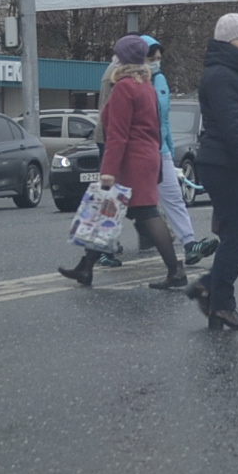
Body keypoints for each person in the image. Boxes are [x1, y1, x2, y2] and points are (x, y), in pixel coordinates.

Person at [63, 36, 179, 288]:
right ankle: (86, 267)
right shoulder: (145, 85)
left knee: (145, 212)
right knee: (107, 210)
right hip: (146, 157)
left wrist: (108, 171)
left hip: (130, 161)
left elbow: (117, 134)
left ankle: (176, 271)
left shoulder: (125, 87)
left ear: (121, 59)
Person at [187, 14, 238, 331]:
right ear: (225, 42)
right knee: (235, 235)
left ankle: (207, 285)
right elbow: (232, 129)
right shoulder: (220, 75)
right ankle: (222, 305)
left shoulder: (237, 72)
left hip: (235, 162)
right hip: (221, 163)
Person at [144, 37, 202, 265]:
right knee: (121, 202)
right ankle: (97, 248)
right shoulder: (126, 82)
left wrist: (168, 148)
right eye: (151, 58)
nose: (156, 63)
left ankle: (189, 243)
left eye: (159, 59)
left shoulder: (160, 80)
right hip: (138, 153)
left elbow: (164, 119)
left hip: (161, 150)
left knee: (173, 198)